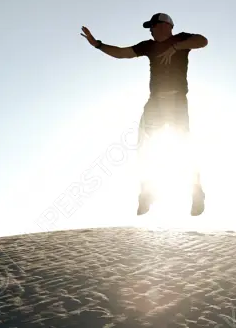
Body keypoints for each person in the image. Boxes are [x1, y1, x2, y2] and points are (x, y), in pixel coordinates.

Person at [80, 13, 208, 216]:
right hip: (155, 102)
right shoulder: (148, 46)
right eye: (150, 28)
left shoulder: (182, 38)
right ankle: (147, 193)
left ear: (166, 26)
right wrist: (97, 44)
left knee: (183, 146)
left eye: (153, 26)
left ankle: (196, 192)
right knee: (145, 144)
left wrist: (175, 47)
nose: (150, 30)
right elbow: (122, 53)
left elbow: (203, 41)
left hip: (177, 103)